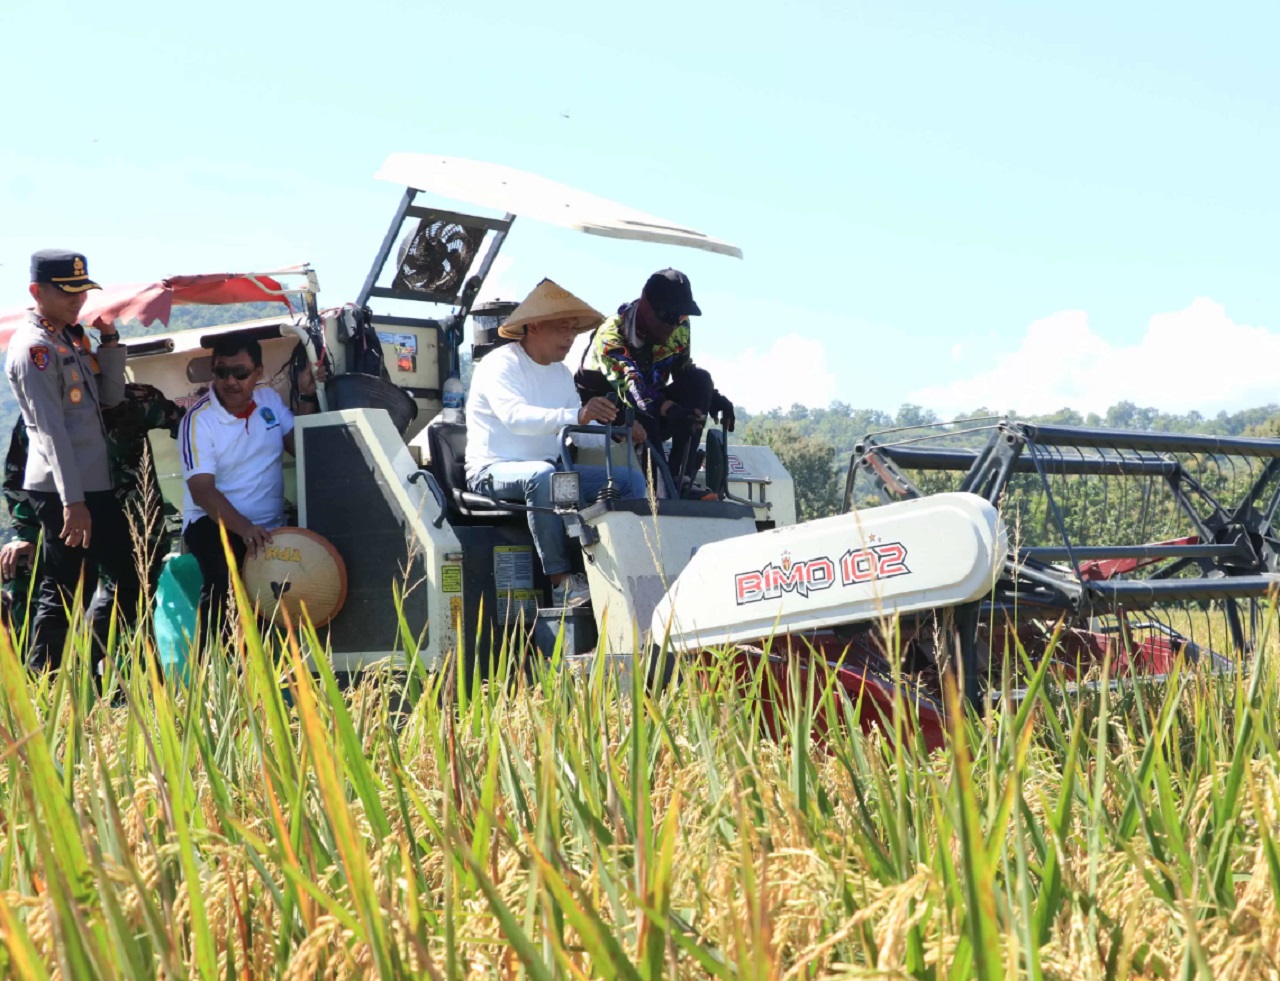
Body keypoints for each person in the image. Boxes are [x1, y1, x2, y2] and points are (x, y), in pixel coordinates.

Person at [466, 279, 648, 606]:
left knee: (630, 481)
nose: (570, 337)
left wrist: (615, 430)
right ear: (533, 325)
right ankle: (562, 582)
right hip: (492, 472)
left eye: (574, 330)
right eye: (562, 327)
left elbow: (573, 433)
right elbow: (516, 418)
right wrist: (579, 416)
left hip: (552, 474)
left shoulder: (561, 374)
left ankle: (631, 573)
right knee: (545, 477)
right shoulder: (500, 364)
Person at [3, 249, 138, 673]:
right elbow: (49, 431)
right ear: (36, 291)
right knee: (62, 590)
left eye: (82, 291)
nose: (77, 300)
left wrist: (110, 343)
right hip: (64, 490)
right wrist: (72, 502)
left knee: (121, 577)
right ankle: (47, 680)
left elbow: (111, 398)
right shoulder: (35, 348)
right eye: (67, 292)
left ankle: (90, 664)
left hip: (90, 485)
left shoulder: (68, 338)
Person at [178, 332, 323, 633]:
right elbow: (201, 490)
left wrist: (308, 395)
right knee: (226, 588)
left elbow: (302, 448)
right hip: (213, 522)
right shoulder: (198, 420)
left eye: (240, 373)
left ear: (258, 372)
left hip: (270, 527)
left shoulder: (268, 400)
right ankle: (216, 669)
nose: (230, 381)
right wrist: (245, 529)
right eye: (221, 372)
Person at [576, 268, 735, 495]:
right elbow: (633, 388)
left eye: (681, 317)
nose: (674, 325)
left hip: (656, 413)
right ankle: (658, 488)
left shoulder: (680, 328)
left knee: (700, 380)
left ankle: (682, 476)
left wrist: (714, 398)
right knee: (641, 408)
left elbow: (683, 370)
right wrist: (670, 410)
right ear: (645, 303)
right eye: (668, 316)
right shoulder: (611, 335)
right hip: (611, 418)